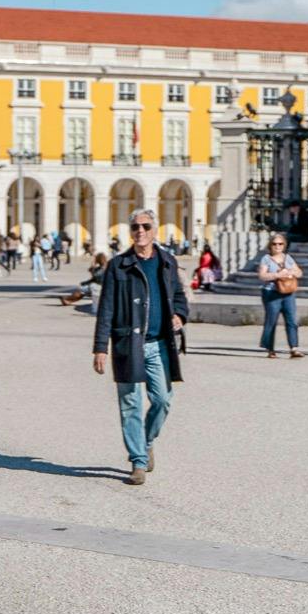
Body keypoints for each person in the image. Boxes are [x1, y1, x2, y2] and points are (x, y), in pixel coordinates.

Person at [91, 208, 187, 486]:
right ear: (130, 232)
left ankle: (146, 442)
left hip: (159, 344)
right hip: (128, 344)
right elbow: (106, 309)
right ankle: (138, 461)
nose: (140, 231)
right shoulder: (118, 265)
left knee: (162, 399)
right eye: (135, 227)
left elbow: (179, 296)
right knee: (130, 403)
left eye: (145, 226)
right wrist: (100, 347)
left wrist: (180, 315)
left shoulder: (167, 262)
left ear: (155, 229)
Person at [258, 235, 303, 360]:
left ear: (284, 245)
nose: (277, 246)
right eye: (274, 244)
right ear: (270, 245)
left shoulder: (288, 258)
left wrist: (291, 272)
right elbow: (262, 276)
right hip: (271, 293)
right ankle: (270, 349)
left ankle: (294, 348)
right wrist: (277, 275)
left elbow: (299, 272)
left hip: (288, 292)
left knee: (292, 320)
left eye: (280, 244)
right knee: (271, 321)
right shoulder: (266, 259)